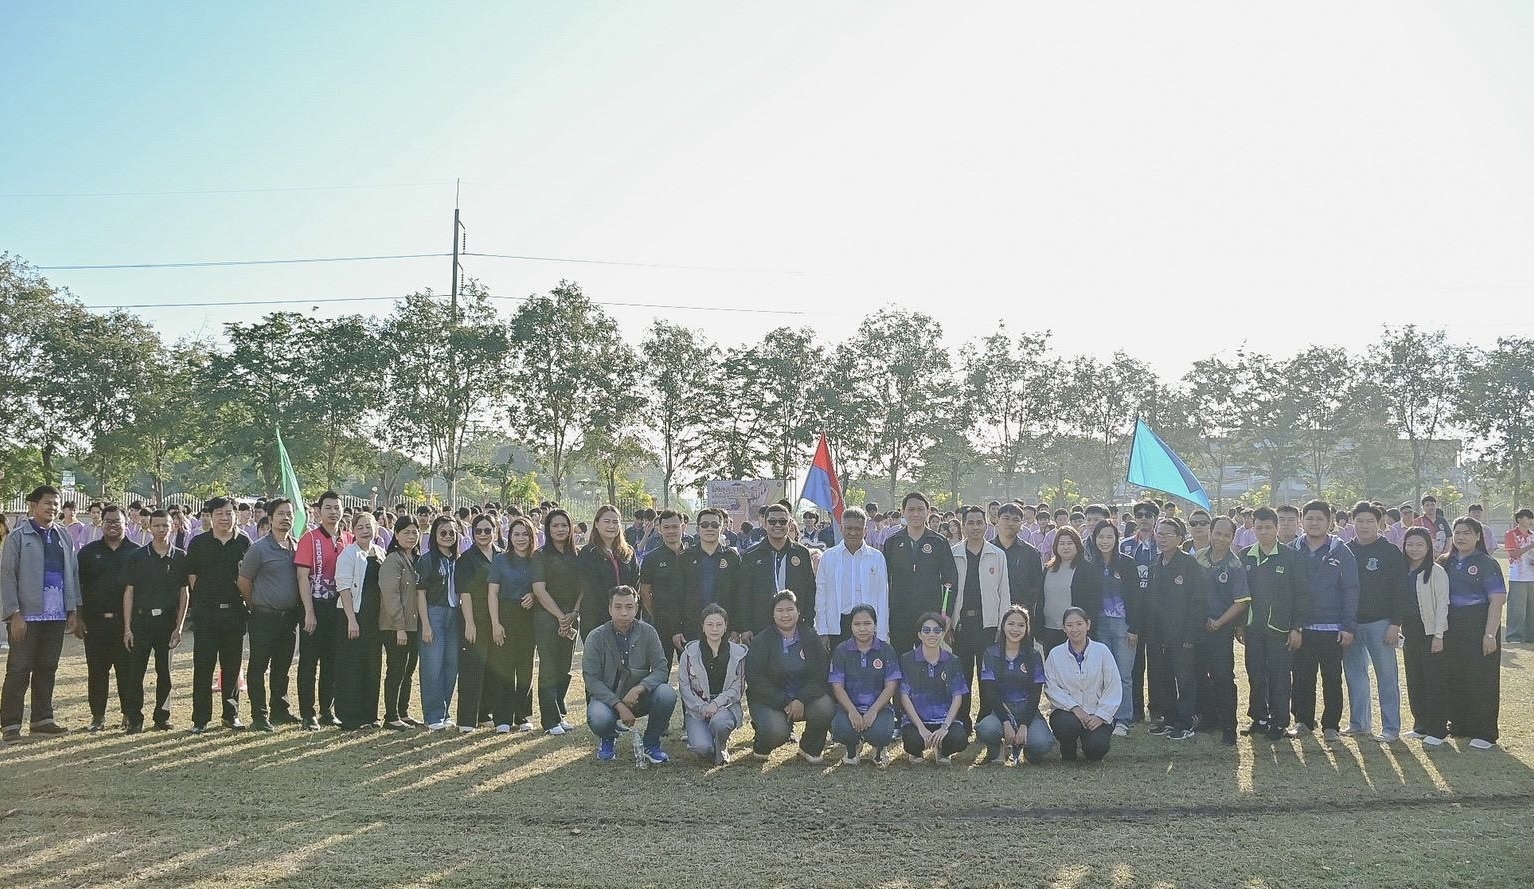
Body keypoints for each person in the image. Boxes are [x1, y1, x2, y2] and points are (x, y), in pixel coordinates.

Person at [1, 486, 81, 741]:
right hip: (27, 615)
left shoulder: (63, 535)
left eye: (56, 503)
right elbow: (7, 576)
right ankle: (10, 724)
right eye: (47, 503)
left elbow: (73, 573)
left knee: (47, 667)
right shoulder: (18, 536)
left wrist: (73, 609)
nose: (53, 508)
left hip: (56, 615)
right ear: (33, 505)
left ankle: (42, 720)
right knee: (19, 669)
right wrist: (14, 613)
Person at [1288, 500, 1360, 742]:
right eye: (1309, 518)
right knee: (1302, 676)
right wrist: (1293, 626)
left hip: (1333, 627)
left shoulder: (1341, 551)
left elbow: (1351, 589)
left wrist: (1348, 626)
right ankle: (1303, 721)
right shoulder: (1292, 550)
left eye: (1320, 519)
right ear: (1302, 521)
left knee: (1332, 678)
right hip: (1302, 627)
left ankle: (1331, 725)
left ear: (1329, 522)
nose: (1314, 523)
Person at [582, 585, 675, 764]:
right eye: (618, 607)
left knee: (667, 694)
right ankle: (608, 738)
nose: (623, 612)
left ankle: (651, 743)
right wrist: (618, 705)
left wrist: (640, 688)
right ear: (610, 609)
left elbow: (661, 669)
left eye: (629, 607)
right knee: (598, 716)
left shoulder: (648, 632)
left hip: (640, 698)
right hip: (607, 700)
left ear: (637, 608)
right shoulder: (595, 637)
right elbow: (591, 680)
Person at [1342, 502, 1411, 742]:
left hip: (1381, 623)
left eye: (1370, 521)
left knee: (1387, 676)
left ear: (1379, 523)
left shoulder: (1390, 551)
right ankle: (1359, 723)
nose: (1364, 526)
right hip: (1351, 624)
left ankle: (1391, 727)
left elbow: (1400, 590)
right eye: (1359, 521)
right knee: (1355, 675)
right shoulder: (1345, 550)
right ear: (1352, 522)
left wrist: (1395, 623)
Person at [1437, 517, 1507, 749]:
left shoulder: (1487, 563)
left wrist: (1490, 634)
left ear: (1478, 536)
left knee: (1481, 678)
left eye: (1467, 532)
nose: (1461, 537)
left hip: (1479, 623)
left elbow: (1497, 600)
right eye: (1457, 532)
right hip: (1451, 625)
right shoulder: (1445, 561)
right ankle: (1459, 725)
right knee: (1455, 674)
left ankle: (1485, 732)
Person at [184, 496, 251, 734]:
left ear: (236, 515)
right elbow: (192, 576)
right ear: (210, 517)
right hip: (206, 614)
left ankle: (231, 715)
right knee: (203, 666)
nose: (224, 518)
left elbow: (248, 577)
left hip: (234, 612)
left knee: (231, 667)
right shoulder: (199, 543)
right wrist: (205, 598)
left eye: (229, 513)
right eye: (219, 513)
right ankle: (200, 718)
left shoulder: (244, 542)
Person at [1134, 518, 1205, 741]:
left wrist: (1190, 634)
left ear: (1180, 538)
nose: (1162, 538)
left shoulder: (1189, 564)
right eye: (1159, 534)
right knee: (1162, 678)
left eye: (1168, 534)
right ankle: (1169, 718)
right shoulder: (1156, 565)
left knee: (1184, 679)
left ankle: (1186, 721)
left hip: (1182, 634)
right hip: (1158, 635)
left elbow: (1197, 602)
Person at [1241, 507, 1308, 741]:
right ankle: (1259, 718)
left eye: (1268, 527)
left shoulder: (1291, 557)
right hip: (1253, 628)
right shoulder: (1246, 555)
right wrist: (1240, 625)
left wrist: (1297, 627)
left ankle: (1279, 722)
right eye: (1259, 527)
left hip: (1280, 629)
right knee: (1255, 673)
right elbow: (1240, 595)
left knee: (1279, 676)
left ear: (1277, 528)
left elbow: (1301, 595)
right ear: (1253, 528)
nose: (1264, 532)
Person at [745, 590, 834, 763]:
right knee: (777, 732)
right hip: (770, 700)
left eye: (790, 609)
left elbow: (820, 675)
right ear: (772, 614)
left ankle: (809, 747)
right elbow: (756, 680)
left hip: (803, 699)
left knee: (825, 707)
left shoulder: (811, 637)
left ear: (798, 611)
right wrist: (785, 701)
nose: (785, 615)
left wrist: (800, 699)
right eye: (779, 610)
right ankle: (762, 743)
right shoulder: (761, 641)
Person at [121, 509, 190, 732]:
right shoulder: (137, 556)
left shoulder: (180, 557)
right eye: (157, 525)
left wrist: (179, 627)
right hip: (141, 622)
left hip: (167, 623)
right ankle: (135, 718)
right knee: (136, 672)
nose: (161, 529)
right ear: (149, 527)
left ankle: (162, 716)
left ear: (173, 526)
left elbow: (184, 593)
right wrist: (127, 628)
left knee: (165, 673)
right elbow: (129, 592)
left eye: (165, 525)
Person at [237, 498, 301, 731]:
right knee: (258, 667)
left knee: (282, 667)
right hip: (263, 617)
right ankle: (259, 715)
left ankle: (280, 710)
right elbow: (244, 581)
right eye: (281, 514)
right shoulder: (259, 548)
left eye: (289, 514)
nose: (286, 518)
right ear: (271, 518)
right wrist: (254, 604)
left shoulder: (296, 547)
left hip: (289, 618)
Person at [948, 505, 1013, 724]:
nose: (975, 527)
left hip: (988, 625)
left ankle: (986, 719)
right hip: (962, 625)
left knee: (987, 676)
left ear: (986, 525)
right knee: (962, 674)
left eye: (979, 523)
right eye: (970, 523)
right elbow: (947, 592)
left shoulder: (998, 555)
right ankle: (962, 720)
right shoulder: (954, 554)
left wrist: (1003, 626)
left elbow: (1004, 593)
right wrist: (947, 624)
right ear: (962, 525)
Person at [294, 491, 353, 730]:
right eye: (328, 507)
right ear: (319, 511)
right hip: (315, 606)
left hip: (338, 609)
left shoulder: (348, 538)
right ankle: (308, 713)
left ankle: (327, 710)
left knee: (332, 661)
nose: (333, 512)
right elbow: (302, 577)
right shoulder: (309, 538)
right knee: (309, 662)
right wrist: (309, 612)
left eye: (337, 507)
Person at [77, 504, 138, 732]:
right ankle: (98, 717)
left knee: (127, 672)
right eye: (108, 521)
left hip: (126, 625)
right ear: (101, 524)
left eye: (117, 522)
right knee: (97, 672)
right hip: (95, 623)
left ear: (126, 524)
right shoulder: (88, 553)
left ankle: (128, 714)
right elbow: (79, 587)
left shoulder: (137, 552)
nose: (113, 525)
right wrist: (79, 618)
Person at [1193, 516, 1249, 745]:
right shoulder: (1198, 557)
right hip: (1197, 628)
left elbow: (1241, 602)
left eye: (1226, 535)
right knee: (1199, 674)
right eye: (1217, 533)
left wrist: (1219, 622)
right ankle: (1209, 718)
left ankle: (1229, 727)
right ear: (1210, 532)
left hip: (1220, 629)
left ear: (1233, 537)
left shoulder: (1235, 565)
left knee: (1223, 677)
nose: (1221, 539)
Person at [975, 605, 1054, 764]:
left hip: (1027, 710)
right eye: (1011, 624)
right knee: (985, 729)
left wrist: (1024, 724)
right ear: (1003, 626)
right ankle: (997, 748)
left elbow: (1035, 694)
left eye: (1021, 625)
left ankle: (1027, 750)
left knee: (1043, 743)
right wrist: (1005, 722)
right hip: (1001, 710)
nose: (1015, 629)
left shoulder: (1033, 655)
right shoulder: (991, 653)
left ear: (1027, 628)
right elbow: (990, 691)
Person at [1043, 607, 1122, 762]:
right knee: (1067, 727)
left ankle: (1088, 744)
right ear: (1063, 628)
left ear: (1088, 625)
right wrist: (1074, 708)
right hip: (1067, 713)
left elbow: (1113, 685)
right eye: (1069, 625)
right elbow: (1051, 687)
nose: (1074, 629)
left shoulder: (1102, 651)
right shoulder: (1055, 654)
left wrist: (1101, 716)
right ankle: (1068, 748)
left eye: (1079, 624)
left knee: (1096, 749)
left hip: (1096, 713)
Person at [883, 492, 959, 651]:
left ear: (928, 511)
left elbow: (950, 581)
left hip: (930, 616)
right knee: (900, 658)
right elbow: (884, 581)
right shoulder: (892, 542)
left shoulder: (939, 542)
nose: (916, 514)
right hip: (899, 616)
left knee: (928, 659)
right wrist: (885, 612)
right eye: (911, 509)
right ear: (903, 512)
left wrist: (945, 614)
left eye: (920, 509)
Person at [828, 604, 901, 766]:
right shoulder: (841, 650)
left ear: (875, 625)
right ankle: (852, 747)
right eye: (857, 624)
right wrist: (852, 710)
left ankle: (879, 749)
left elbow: (891, 686)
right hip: (849, 707)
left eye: (867, 623)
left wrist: (873, 711)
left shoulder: (886, 650)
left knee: (881, 733)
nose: (862, 628)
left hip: (879, 708)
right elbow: (837, 686)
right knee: (840, 729)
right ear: (851, 626)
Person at [732, 503, 816, 645]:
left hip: (794, 626)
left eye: (782, 521)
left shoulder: (802, 553)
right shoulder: (751, 555)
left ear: (789, 524)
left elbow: (810, 590)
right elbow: (743, 593)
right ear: (764, 524)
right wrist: (744, 627)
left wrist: (807, 624)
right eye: (772, 521)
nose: (777, 525)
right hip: (760, 627)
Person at [332, 512, 386, 730]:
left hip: (374, 619)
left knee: (372, 665)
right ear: (353, 531)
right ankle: (350, 717)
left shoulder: (380, 552)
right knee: (351, 666)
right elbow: (343, 588)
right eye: (360, 527)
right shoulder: (348, 554)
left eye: (369, 526)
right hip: (352, 615)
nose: (365, 531)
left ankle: (369, 715)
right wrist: (352, 620)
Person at [531, 509, 582, 735]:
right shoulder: (540, 555)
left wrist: (574, 613)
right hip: (547, 617)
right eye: (555, 525)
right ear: (548, 529)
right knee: (549, 667)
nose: (560, 529)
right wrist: (560, 616)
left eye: (564, 525)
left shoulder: (577, 555)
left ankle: (560, 713)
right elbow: (539, 590)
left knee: (564, 667)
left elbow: (584, 587)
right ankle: (550, 720)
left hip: (572, 617)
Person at [486, 516, 538, 733]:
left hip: (528, 617)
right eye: (516, 534)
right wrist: (495, 624)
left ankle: (522, 715)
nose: (520, 538)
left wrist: (534, 595)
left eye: (525, 534)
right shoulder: (500, 560)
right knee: (504, 669)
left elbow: (543, 586)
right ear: (510, 536)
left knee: (525, 669)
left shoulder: (537, 560)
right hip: (504, 615)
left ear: (531, 536)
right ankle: (503, 717)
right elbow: (492, 593)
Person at [678, 603, 747, 765]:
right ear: (703, 626)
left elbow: (738, 687)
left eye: (719, 624)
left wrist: (716, 704)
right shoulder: (689, 653)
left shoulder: (738, 653)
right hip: (698, 710)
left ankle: (721, 745)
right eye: (709, 624)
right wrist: (703, 707)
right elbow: (685, 687)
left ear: (726, 626)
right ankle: (705, 740)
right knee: (702, 747)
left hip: (725, 707)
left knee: (720, 722)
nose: (714, 629)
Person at [897, 612, 970, 764]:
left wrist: (944, 727)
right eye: (926, 630)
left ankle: (942, 749)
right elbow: (904, 696)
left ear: (943, 634)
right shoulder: (907, 659)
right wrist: (921, 728)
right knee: (913, 742)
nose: (932, 634)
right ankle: (917, 751)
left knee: (959, 740)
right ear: (919, 634)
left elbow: (957, 696)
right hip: (917, 721)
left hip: (944, 719)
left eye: (937, 630)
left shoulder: (953, 661)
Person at [1399, 527, 1449, 744]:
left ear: (1429, 547)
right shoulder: (1402, 570)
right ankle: (1421, 725)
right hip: (1409, 630)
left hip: (1430, 631)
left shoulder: (1436, 571)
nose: (1414, 549)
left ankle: (1437, 730)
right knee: (1415, 678)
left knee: (1434, 680)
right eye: (1410, 544)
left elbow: (1443, 604)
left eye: (1420, 544)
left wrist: (1438, 635)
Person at [1087, 520, 1137, 735]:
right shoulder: (1091, 565)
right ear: (1094, 539)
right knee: (1103, 674)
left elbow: (1137, 599)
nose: (1104, 541)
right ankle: (1105, 717)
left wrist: (1134, 627)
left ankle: (1123, 719)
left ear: (1116, 539)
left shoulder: (1127, 563)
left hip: (1123, 625)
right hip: (1100, 625)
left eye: (1109, 537)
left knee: (1123, 675)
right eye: (1101, 537)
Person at [814, 507, 889, 648]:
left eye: (857, 529)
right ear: (841, 528)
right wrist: (822, 630)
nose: (853, 533)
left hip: (867, 625)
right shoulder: (829, 557)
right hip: (838, 625)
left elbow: (882, 596)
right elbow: (821, 595)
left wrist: (882, 634)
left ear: (865, 530)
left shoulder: (876, 557)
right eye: (848, 528)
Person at [416, 516, 464, 731]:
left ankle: (445, 712)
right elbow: (420, 594)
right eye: (443, 532)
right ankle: (433, 715)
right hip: (434, 613)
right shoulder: (427, 560)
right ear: (434, 535)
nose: (448, 536)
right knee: (432, 667)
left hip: (455, 615)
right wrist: (426, 624)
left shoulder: (457, 560)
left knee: (451, 665)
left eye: (452, 533)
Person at [455, 514, 501, 733]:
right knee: (472, 669)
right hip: (475, 619)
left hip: (498, 620)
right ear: (472, 533)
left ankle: (484, 714)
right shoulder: (466, 559)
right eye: (478, 531)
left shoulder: (502, 555)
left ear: (495, 531)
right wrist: (469, 623)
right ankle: (467, 719)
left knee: (492, 669)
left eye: (487, 530)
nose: (483, 534)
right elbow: (464, 594)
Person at [378, 517, 422, 729]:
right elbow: (391, 596)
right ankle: (391, 716)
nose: (411, 536)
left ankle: (403, 712)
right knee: (396, 670)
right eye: (406, 532)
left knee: (408, 670)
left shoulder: (416, 559)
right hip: (396, 626)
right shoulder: (393, 560)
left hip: (413, 625)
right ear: (396, 535)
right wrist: (400, 627)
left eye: (414, 532)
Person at [1119, 500, 1159, 723]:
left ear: (1155, 518)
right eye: (1140, 515)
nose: (1144, 518)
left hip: (1156, 613)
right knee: (1133, 663)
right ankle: (1135, 709)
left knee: (1157, 662)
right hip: (1132, 612)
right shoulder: (1124, 546)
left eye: (1148, 515)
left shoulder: (1163, 543)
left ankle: (1157, 708)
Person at [577, 505, 638, 641]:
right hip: (597, 620)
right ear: (596, 524)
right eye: (607, 521)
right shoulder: (588, 553)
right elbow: (590, 589)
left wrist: (628, 610)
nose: (611, 526)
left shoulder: (628, 552)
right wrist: (613, 610)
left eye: (615, 522)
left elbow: (635, 584)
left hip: (626, 620)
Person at [680, 507, 745, 636]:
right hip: (692, 627)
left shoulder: (732, 557)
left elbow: (739, 594)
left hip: (724, 627)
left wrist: (736, 628)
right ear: (698, 528)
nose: (709, 528)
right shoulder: (685, 557)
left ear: (722, 528)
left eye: (715, 525)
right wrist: (677, 629)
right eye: (704, 525)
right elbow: (677, 594)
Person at [639, 509, 689, 669]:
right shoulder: (652, 558)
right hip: (662, 624)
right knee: (660, 671)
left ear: (683, 527)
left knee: (692, 672)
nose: (671, 531)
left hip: (689, 623)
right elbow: (644, 590)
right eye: (666, 527)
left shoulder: (692, 556)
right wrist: (656, 614)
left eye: (675, 526)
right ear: (659, 529)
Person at [1038, 525, 1099, 655]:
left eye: (1070, 543)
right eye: (1062, 543)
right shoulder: (1048, 569)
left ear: (1077, 545)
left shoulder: (1087, 570)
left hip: (1076, 631)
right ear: (1056, 546)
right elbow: (1041, 599)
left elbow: (1093, 602)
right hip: (1050, 629)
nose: (1066, 547)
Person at [992, 503, 1045, 621]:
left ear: (1021, 524)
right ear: (997, 520)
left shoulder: (1031, 553)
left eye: (1015, 520)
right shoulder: (987, 550)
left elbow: (1037, 587)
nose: (1010, 523)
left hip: (1021, 618)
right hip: (990, 615)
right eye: (1006, 518)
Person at [1503, 508, 1534, 644]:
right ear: (1519, 519)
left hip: (1532, 576)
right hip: (1518, 577)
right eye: (1527, 518)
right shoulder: (1511, 534)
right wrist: (1530, 546)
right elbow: (1514, 554)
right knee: (1517, 608)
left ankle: (1530, 636)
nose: (1530, 521)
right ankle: (1514, 636)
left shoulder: (1532, 535)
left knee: (1531, 609)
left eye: (1531, 518)